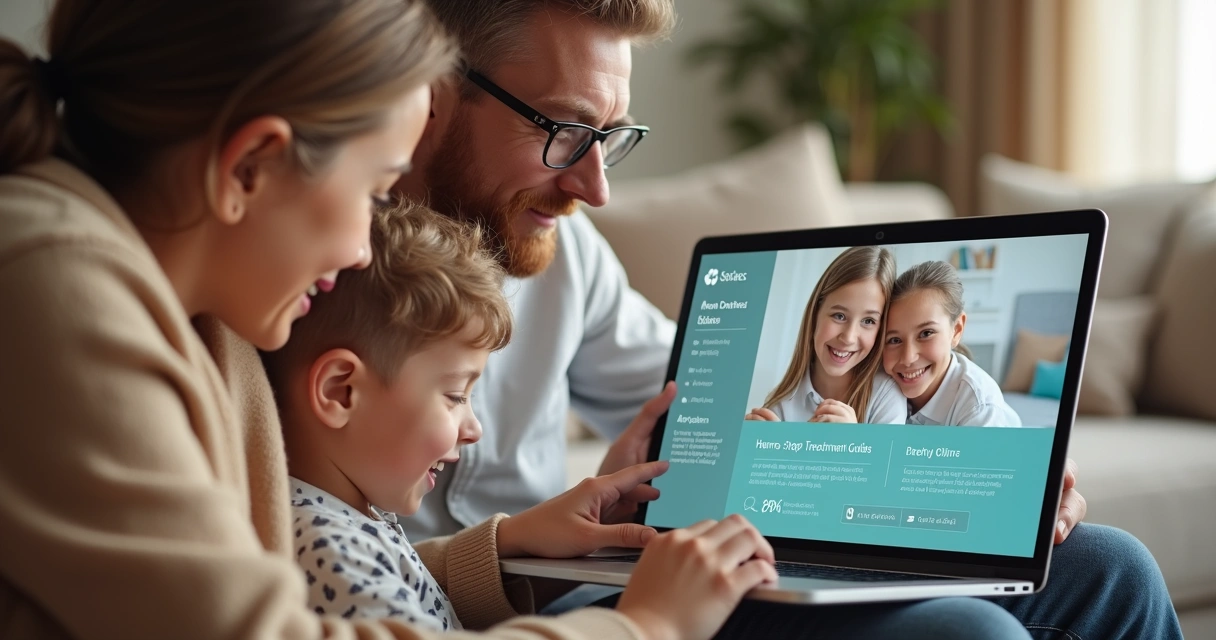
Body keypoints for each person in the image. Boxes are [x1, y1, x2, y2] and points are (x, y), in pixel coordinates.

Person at [395, 1, 1183, 637]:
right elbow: (311, 571)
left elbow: (693, 397)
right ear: (430, 92)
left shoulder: (565, 252)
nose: (596, 188)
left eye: (610, 137)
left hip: (596, 582)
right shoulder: (300, 283)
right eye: (565, 131)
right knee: (970, 632)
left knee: (1116, 568)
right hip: (558, 608)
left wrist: (1003, 484)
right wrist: (509, 549)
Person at [0, 2, 777, 639]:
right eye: (376, 193)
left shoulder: (187, 297)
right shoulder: (58, 287)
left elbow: (307, 590)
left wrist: (502, 552)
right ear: (250, 167)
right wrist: (645, 629)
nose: (357, 250)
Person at [262, 200, 777, 634]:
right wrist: (652, 621)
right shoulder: (329, 550)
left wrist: (521, 538)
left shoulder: (351, 519)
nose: (474, 427)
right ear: (341, 391)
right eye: (454, 395)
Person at [743, 246, 906, 424]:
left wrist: (848, 442)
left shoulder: (886, 396)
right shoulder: (781, 405)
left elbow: (885, 452)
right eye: (839, 316)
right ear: (815, 314)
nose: (849, 337)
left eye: (868, 321)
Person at [883, 261, 1022, 427]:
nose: (908, 358)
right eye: (894, 340)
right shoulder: (881, 385)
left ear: (956, 329)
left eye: (926, 333)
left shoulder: (979, 410)